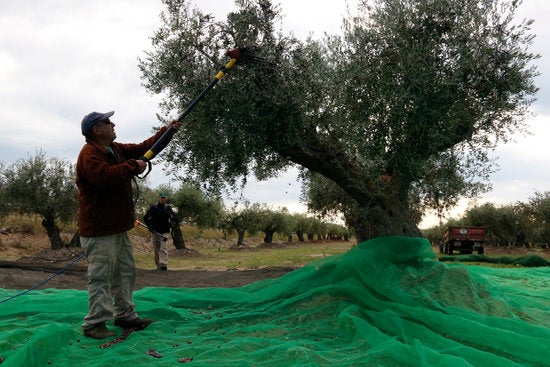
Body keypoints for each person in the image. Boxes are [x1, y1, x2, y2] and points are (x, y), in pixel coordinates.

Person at [76, 110, 182, 339]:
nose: (113, 124)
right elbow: (105, 178)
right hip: (98, 231)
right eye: (107, 122)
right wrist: (134, 166)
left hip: (118, 228)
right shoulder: (89, 154)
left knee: (125, 272)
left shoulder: (117, 150)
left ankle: (125, 315)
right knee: (101, 276)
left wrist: (168, 131)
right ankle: (94, 324)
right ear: (97, 129)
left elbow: (145, 148)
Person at [143, 193, 179, 271]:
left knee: (163, 247)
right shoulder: (153, 207)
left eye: (164, 198)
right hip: (155, 231)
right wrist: (150, 226)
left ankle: (163, 264)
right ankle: (158, 264)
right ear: (158, 198)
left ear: (166, 199)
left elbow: (174, 217)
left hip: (165, 231)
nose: (163, 199)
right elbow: (145, 218)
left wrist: (173, 221)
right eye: (161, 198)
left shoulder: (168, 207)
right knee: (157, 249)